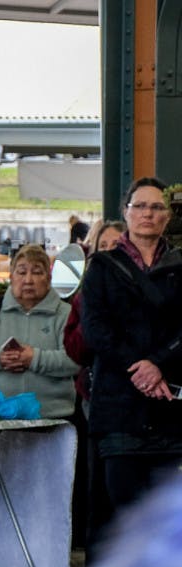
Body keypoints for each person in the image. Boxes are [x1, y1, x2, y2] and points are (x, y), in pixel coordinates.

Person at [80, 176, 182, 518]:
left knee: (167, 520)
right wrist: (140, 369)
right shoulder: (102, 269)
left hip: (171, 410)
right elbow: (95, 330)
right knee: (121, 516)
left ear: (167, 216)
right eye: (140, 206)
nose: (147, 214)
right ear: (126, 213)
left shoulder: (179, 267)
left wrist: (157, 363)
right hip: (119, 408)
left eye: (156, 207)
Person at [62, 219, 125, 562]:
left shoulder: (148, 293)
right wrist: (95, 315)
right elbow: (75, 350)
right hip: (97, 400)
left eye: (119, 247)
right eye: (105, 248)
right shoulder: (83, 299)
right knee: (99, 485)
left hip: (144, 403)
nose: (112, 254)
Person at [0, 244, 79, 418]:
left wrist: (34, 358)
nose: (28, 280)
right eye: (22, 272)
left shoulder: (65, 312)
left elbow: (74, 360)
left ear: (49, 278)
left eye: (37, 272)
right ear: (11, 276)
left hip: (52, 416)